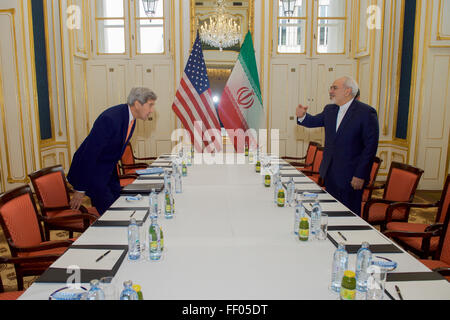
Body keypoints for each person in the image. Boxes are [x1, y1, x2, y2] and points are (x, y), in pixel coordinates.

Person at [296, 77, 379, 216]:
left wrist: (360, 175)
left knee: (349, 216)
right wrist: (302, 116)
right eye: (331, 88)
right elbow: (314, 120)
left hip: (351, 177)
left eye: (334, 88)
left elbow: (370, 148)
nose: (330, 91)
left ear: (347, 91)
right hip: (330, 173)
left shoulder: (366, 112)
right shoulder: (330, 109)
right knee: (331, 213)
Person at [67, 87, 157, 215]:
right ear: (137, 104)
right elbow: (90, 154)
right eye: (150, 105)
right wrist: (80, 189)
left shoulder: (130, 119)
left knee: (119, 206)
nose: (152, 110)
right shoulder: (110, 119)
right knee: (112, 214)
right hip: (91, 173)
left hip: (107, 172)